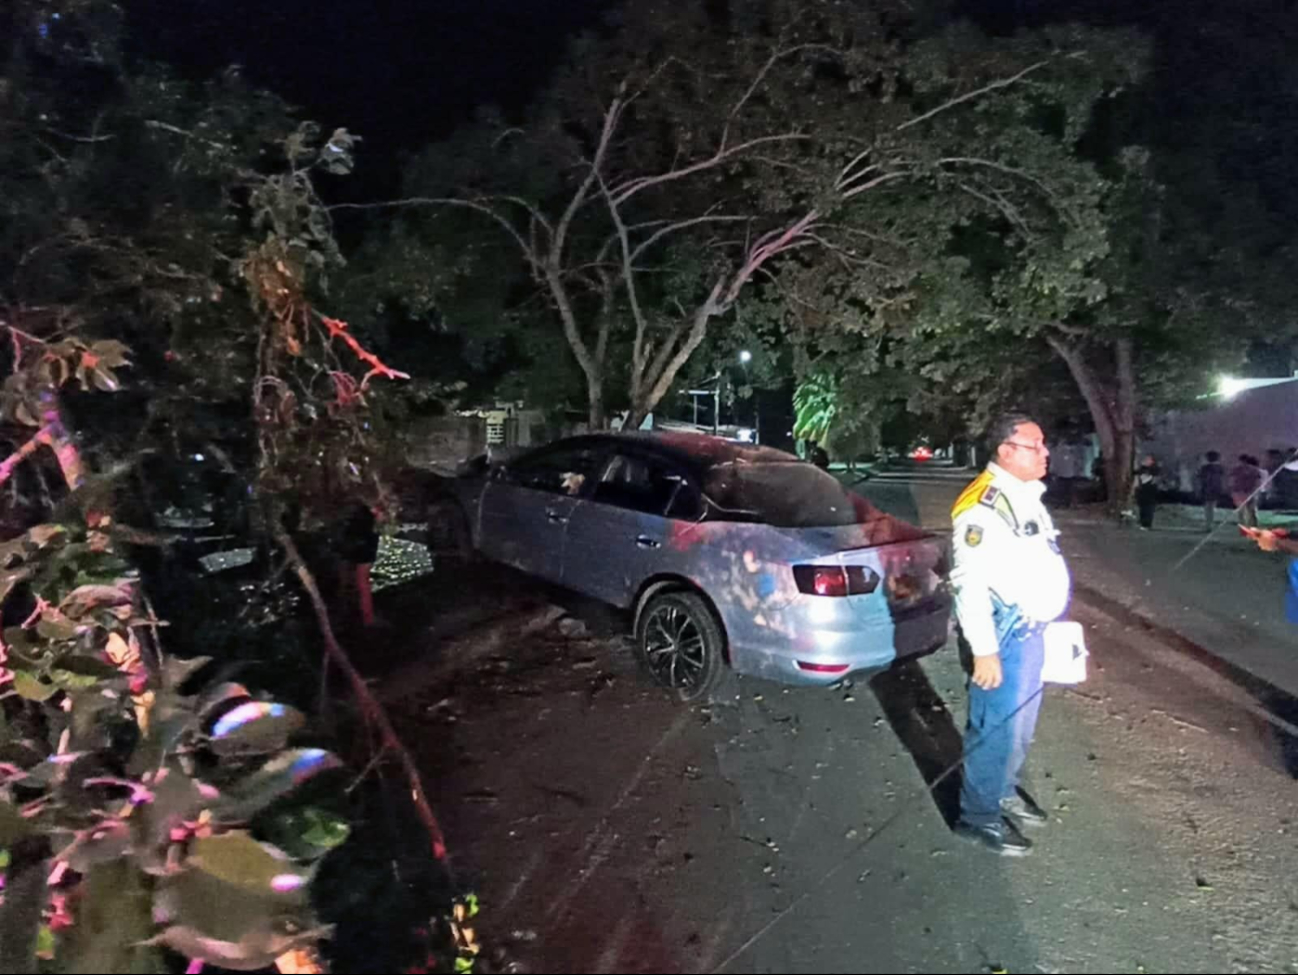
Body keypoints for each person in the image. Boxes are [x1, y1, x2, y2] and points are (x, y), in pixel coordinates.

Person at [950, 412, 1071, 857]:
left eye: (1043, 444)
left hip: (1031, 630)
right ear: (1006, 451)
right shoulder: (982, 505)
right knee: (994, 728)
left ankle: (1002, 790)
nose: (1045, 452)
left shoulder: (1023, 494)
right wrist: (984, 651)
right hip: (1005, 634)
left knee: (1019, 726)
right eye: (1035, 445)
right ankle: (977, 816)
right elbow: (969, 582)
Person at [1230, 454, 1265, 529]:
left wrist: (1233, 489)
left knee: (1241, 511)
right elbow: (1258, 481)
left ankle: (1243, 526)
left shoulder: (1237, 469)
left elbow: (1233, 480)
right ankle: (1253, 526)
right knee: (1252, 510)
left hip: (1240, 491)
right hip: (1250, 491)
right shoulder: (1255, 470)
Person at [1197, 451, 1227, 532]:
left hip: (1207, 488)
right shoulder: (1221, 468)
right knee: (1213, 507)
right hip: (1216, 488)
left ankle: (1208, 524)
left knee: (1207, 507)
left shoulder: (1205, 468)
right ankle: (1211, 523)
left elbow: (1201, 478)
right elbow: (1223, 479)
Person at [1132, 455, 1161, 531]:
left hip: (1151, 493)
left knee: (1149, 509)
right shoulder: (1142, 469)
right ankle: (1142, 523)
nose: (1146, 461)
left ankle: (1147, 524)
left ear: (1152, 461)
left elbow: (1155, 473)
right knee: (1142, 509)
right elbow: (1136, 472)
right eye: (1146, 459)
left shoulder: (1155, 469)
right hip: (1142, 493)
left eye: (1148, 460)